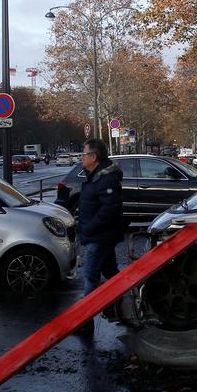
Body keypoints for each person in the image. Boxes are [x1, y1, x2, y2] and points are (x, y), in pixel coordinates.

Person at [77, 138, 124, 333]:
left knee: (90, 276)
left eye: (84, 153)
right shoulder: (95, 175)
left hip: (100, 236)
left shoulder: (105, 178)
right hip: (100, 235)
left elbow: (109, 209)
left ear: (93, 157)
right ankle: (127, 305)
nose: (81, 157)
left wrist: (89, 228)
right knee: (112, 274)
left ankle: (84, 320)